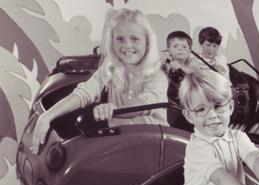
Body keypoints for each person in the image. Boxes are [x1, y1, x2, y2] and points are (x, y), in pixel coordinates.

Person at [31, 8, 168, 153]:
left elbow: (143, 103)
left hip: (155, 146)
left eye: (134, 39)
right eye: (120, 39)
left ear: (147, 42)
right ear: (112, 42)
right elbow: (85, 92)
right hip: (119, 140)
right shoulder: (111, 68)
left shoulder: (157, 77)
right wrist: (47, 116)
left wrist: (114, 110)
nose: (127, 45)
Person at [162, 30, 203, 131]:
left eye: (184, 47)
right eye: (175, 46)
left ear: (189, 51)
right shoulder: (166, 63)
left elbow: (194, 71)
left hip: (189, 101)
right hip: (170, 101)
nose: (180, 50)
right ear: (169, 50)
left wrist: (180, 67)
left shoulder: (192, 62)